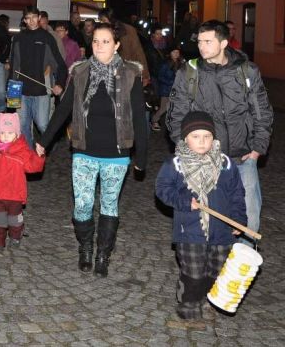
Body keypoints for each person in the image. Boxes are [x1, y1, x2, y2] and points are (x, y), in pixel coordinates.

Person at [37, 22, 148, 277]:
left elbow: (139, 118)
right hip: (84, 150)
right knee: (83, 205)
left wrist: (141, 156)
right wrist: (44, 140)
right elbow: (64, 109)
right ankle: (86, 247)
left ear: (116, 45)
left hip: (117, 154)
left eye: (106, 41)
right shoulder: (80, 72)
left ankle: (103, 254)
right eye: (96, 41)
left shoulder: (130, 74)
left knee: (109, 205)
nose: (99, 46)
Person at [166, 20, 273, 247]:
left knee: (248, 221)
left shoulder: (246, 71)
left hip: (242, 158)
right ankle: (209, 264)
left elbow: (261, 111)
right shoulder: (189, 72)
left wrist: (257, 148)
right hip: (204, 160)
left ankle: (241, 265)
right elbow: (176, 114)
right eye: (200, 41)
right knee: (205, 220)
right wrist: (185, 148)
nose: (201, 46)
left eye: (208, 41)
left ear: (224, 43)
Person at [155, 111, 246, 320]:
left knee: (217, 270)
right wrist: (183, 202)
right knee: (194, 271)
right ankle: (189, 303)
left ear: (214, 137)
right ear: (185, 138)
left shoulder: (225, 164)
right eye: (195, 136)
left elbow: (236, 193)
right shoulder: (176, 164)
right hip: (190, 229)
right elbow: (162, 189)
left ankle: (206, 299)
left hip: (222, 230)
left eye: (207, 136)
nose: (202, 141)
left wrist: (239, 220)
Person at [0, 113, 45, 253]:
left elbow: (33, 167)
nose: (6, 136)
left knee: (15, 220)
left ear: (17, 134)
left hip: (15, 194)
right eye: (2, 133)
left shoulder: (23, 151)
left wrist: (39, 156)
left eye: (10, 133)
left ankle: (16, 236)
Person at [8, 6, 67, 146]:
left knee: (42, 124)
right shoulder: (18, 38)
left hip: (42, 90)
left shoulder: (47, 38)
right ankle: (29, 153)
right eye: (28, 18)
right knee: (22, 125)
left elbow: (60, 64)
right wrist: (11, 94)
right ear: (24, 20)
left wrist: (59, 83)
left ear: (39, 17)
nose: (31, 21)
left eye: (34, 17)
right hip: (21, 89)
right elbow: (14, 66)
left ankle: (44, 148)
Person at [98, 7, 150, 85]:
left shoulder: (128, 30)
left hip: (127, 72)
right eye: (101, 21)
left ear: (111, 19)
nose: (102, 23)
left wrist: (145, 74)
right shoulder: (101, 32)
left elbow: (138, 52)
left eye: (104, 20)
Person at [150, 48, 182, 131]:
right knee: (164, 108)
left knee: (176, 106)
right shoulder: (165, 64)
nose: (176, 54)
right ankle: (154, 120)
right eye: (174, 52)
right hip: (166, 90)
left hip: (176, 90)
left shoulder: (180, 63)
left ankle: (174, 123)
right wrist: (171, 82)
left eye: (177, 52)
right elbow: (160, 76)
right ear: (170, 53)